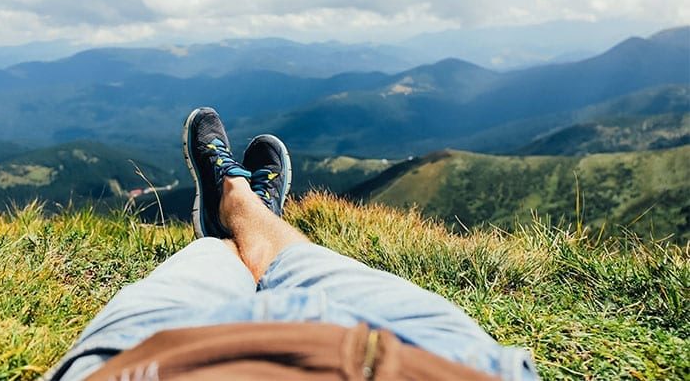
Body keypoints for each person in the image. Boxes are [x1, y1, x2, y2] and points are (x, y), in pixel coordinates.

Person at [44, 107, 538, 380]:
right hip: (445, 362)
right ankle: (252, 218)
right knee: (302, 258)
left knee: (208, 260)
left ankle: (229, 216)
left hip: (146, 363)